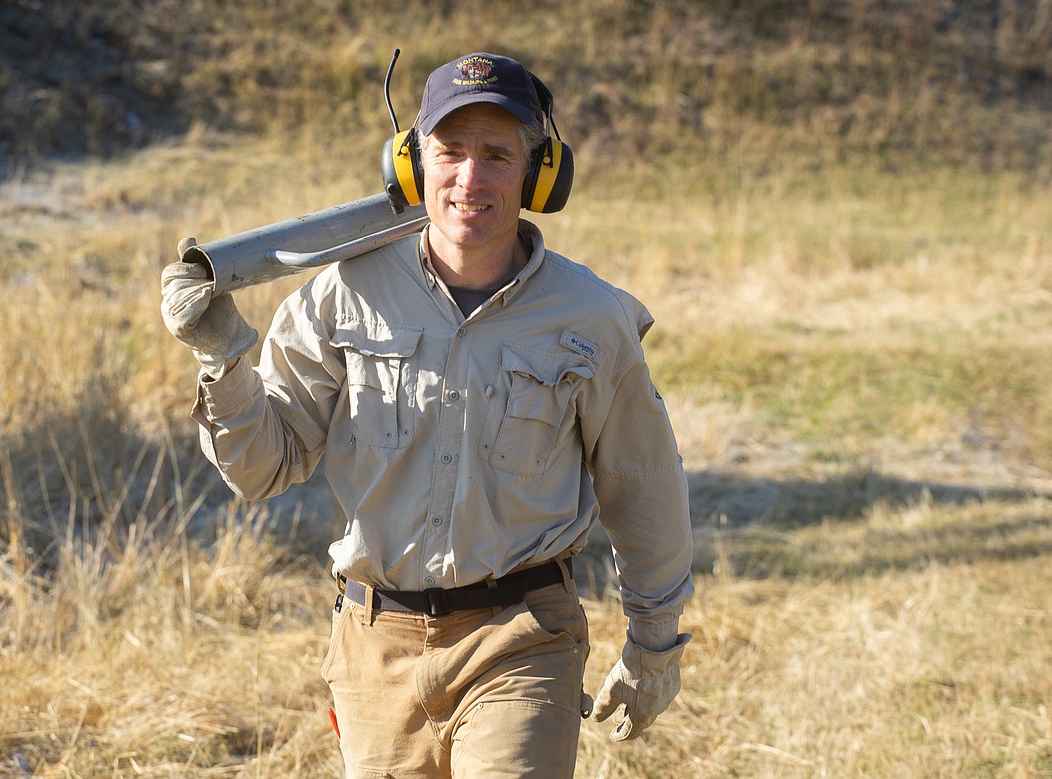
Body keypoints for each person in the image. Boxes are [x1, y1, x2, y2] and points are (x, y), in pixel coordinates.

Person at [161, 51, 694, 778]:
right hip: (373, 644)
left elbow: (644, 483)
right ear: (412, 165)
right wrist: (222, 357)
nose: (470, 178)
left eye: (497, 155)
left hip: (523, 637)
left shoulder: (590, 318)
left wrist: (654, 641)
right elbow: (263, 465)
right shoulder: (342, 295)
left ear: (539, 175)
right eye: (450, 152)